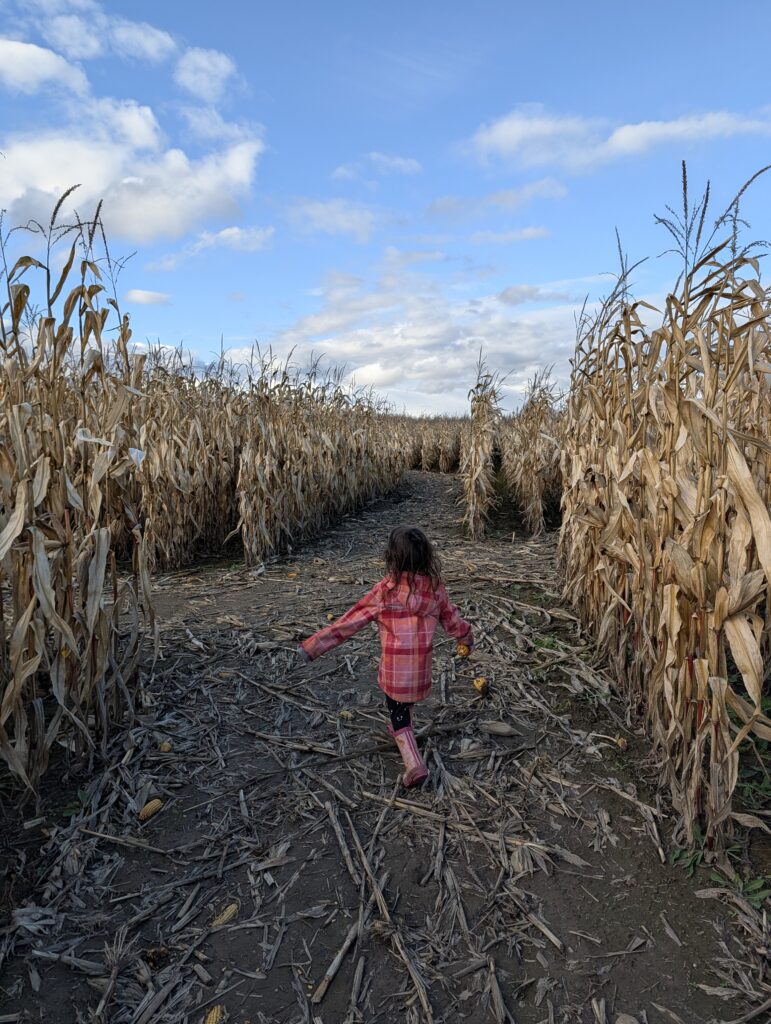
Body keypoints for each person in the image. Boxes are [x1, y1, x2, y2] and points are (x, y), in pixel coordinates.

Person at [298, 526, 473, 787]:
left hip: (394, 671)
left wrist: (312, 647)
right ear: (426, 557)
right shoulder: (436, 590)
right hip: (420, 671)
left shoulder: (384, 592)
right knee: (405, 706)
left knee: (396, 708)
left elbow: (349, 623)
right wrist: (465, 637)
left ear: (392, 557)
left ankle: (413, 763)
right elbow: (452, 619)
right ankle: (405, 732)